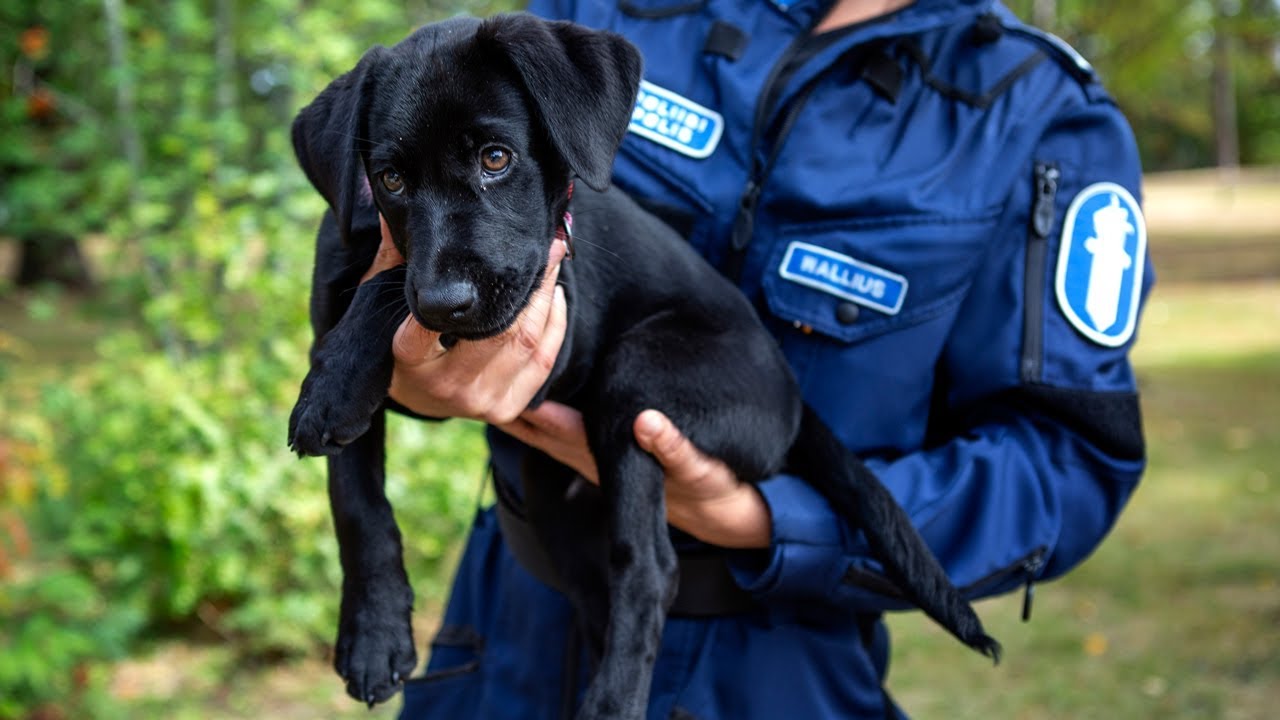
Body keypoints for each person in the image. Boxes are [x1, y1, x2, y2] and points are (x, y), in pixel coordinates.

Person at [367, 0, 1153, 717]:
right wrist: (415, 382)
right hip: (508, 635)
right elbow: (405, 230)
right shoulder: (599, 11)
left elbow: (1065, 462)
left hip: (778, 666)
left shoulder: (1038, 114)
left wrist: (769, 521)